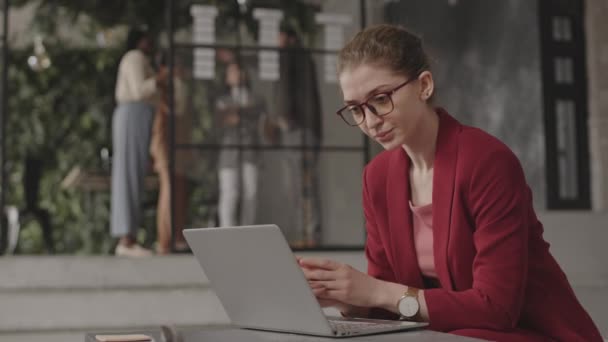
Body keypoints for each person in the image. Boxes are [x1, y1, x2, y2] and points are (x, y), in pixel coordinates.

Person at [298, 24, 603, 341]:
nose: (371, 120)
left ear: (424, 85)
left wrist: (375, 291)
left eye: (381, 98)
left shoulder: (487, 162)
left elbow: (496, 308)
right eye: (356, 109)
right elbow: (391, 301)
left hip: (524, 332)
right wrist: (347, 299)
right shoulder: (377, 177)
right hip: (446, 334)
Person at [111, 28, 166, 257]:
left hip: (141, 116)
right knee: (128, 174)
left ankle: (130, 235)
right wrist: (159, 79)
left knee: (136, 175)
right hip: (133, 113)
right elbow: (138, 90)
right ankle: (126, 238)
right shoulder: (134, 57)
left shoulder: (143, 60)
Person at [274, 24, 322, 247]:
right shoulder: (306, 57)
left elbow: (284, 89)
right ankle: (310, 233)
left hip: (295, 129)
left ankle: (305, 234)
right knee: (307, 182)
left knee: (297, 183)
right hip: (309, 129)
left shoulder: (288, 55)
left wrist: (282, 117)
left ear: (286, 36)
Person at [149, 53, 191, 254]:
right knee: (168, 187)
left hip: (180, 141)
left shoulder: (181, 86)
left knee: (180, 187)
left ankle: (177, 236)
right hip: (165, 141)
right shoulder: (161, 85)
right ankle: (164, 240)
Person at [215, 62, 265, 227]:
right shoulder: (222, 100)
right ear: (227, 78)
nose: (237, 74)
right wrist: (240, 113)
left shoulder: (256, 99)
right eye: (232, 71)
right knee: (229, 193)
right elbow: (223, 121)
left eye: (239, 69)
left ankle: (247, 233)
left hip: (250, 151)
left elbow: (258, 119)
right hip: (229, 153)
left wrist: (236, 113)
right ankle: (226, 234)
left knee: (251, 193)